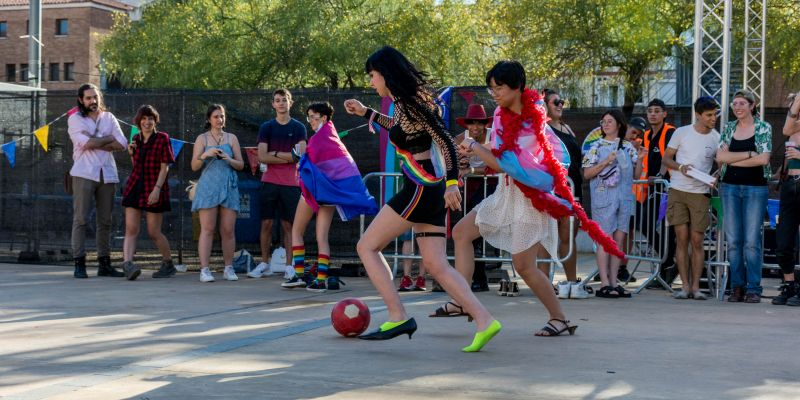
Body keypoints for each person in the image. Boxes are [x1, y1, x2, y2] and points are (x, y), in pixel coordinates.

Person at [440, 61, 623, 337]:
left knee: (524, 266)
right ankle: (464, 302)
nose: (495, 93)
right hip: (507, 192)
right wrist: (474, 154)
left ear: (517, 88)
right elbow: (501, 151)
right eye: (492, 88)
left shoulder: (530, 123)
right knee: (461, 233)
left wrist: (476, 147)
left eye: (499, 87)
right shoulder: (502, 115)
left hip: (529, 199)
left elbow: (505, 163)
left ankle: (559, 319)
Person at [344, 46, 500, 352]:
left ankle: (397, 315)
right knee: (436, 264)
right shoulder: (405, 104)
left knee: (366, 246)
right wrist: (367, 113)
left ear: (386, 74)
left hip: (421, 184)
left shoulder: (411, 103)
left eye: (373, 76)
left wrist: (453, 183)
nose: (372, 82)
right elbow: (403, 130)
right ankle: (485, 320)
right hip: (427, 186)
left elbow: (444, 139)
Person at [283, 101, 378, 292]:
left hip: (314, 191)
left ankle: (299, 275)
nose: (310, 120)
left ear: (324, 117)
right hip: (330, 193)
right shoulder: (331, 136)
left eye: (313, 117)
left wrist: (297, 157)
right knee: (322, 237)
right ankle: (320, 280)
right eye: (308, 117)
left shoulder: (320, 139)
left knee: (296, 231)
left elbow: (307, 161)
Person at [716, 89, 772, 303]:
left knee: (751, 241)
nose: (737, 107)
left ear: (751, 105)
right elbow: (720, 158)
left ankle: (754, 288)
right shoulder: (728, 128)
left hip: (755, 188)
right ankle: (736, 286)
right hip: (729, 187)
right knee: (733, 241)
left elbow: (764, 160)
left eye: (741, 103)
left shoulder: (763, 127)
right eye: (734, 104)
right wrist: (749, 154)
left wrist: (733, 158)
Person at [661, 97, 721, 300]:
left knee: (697, 240)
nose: (714, 119)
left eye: (715, 114)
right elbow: (666, 158)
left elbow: (722, 163)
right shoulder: (681, 132)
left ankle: (696, 287)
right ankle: (684, 286)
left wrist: (716, 176)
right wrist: (680, 167)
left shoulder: (716, 137)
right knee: (681, 239)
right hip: (678, 189)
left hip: (701, 193)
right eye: (709, 115)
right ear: (698, 115)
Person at [582, 110, 645, 298]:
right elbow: (586, 174)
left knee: (618, 242)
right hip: (603, 198)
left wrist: (640, 160)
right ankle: (604, 282)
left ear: (619, 124)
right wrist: (605, 162)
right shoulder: (595, 147)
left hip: (624, 198)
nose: (606, 124)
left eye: (610, 121)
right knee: (605, 240)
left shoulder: (628, 147)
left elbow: (636, 175)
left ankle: (615, 281)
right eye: (604, 121)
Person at [68, 83, 128, 279]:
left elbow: (123, 143)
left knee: (106, 221)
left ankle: (104, 264)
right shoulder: (75, 119)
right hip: (84, 173)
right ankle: (79, 264)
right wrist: (107, 139)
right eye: (88, 98)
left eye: (95, 97)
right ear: (81, 100)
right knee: (81, 219)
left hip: (107, 174)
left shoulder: (109, 117)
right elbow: (86, 143)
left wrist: (97, 140)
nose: (93, 101)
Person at [250, 89, 308, 278]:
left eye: (284, 100)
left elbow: (300, 155)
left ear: (290, 103)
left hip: (292, 183)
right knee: (266, 223)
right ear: (273, 104)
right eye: (277, 100)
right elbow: (262, 156)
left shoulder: (299, 127)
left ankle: (290, 266)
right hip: (269, 182)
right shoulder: (266, 127)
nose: (281, 103)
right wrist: (286, 157)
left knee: (289, 225)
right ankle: (264, 263)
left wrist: (275, 155)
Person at [537, 89, 588, 299]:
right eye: (555, 101)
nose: (560, 105)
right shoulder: (543, 128)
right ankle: (543, 285)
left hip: (573, 190)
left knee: (569, 237)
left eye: (562, 101)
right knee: (547, 237)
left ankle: (571, 282)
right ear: (546, 105)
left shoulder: (566, 127)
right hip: (552, 189)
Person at [120, 105, 176, 280]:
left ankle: (168, 264)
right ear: (138, 121)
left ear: (155, 120)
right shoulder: (135, 138)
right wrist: (131, 153)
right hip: (135, 185)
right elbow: (137, 165)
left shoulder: (162, 138)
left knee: (153, 231)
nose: (147, 122)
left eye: (150, 118)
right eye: (143, 119)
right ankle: (128, 265)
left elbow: (165, 166)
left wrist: (157, 190)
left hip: (154, 187)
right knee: (131, 228)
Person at [190, 104, 246, 283]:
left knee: (228, 230)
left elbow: (241, 165)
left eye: (222, 116)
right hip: (208, 187)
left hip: (229, 186)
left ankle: (229, 268)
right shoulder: (202, 139)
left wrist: (227, 158)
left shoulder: (232, 138)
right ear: (209, 119)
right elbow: (194, 166)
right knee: (207, 229)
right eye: (215, 116)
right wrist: (205, 154)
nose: (219, 120)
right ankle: (204, 270)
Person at [453, 103, 497, 292]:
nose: (475, 127)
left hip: (493, 185)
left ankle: (479, 275)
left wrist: (470, 169)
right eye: (471, 123)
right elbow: (449, 158)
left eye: (479, 123)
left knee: (478, 228)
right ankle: (475, 278)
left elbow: (496, 166)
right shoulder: (461, 139)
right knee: (468, 233)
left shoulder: (493, 137)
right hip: (471, 186)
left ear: (486, 124)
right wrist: (458, 165)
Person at [641, 99, 678, 287]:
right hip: (653, 189)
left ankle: (666, 269)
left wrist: (659, 176)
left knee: (668, 229)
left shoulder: (670, 131)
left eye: (657, 111)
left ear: (664, 114)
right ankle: (669, 261)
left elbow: (668, 158)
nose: (653, 114)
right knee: (646, 223)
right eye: (650, 111)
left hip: (669, 186)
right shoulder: (646, 135)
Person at [774, 92, 800, 306]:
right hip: (790, 186)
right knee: (783, 242)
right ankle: (789, 284)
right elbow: (785, 130)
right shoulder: (795, 126)